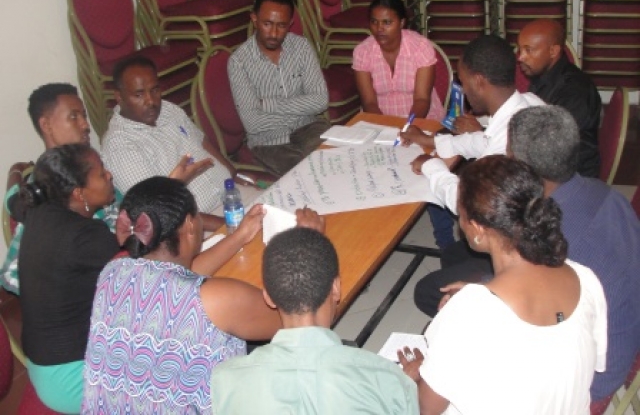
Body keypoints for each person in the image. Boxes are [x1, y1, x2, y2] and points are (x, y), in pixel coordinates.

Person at [414, 106, 640, 407]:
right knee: (456, 261)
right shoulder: (605, 194)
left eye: (508, 154)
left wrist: (478, 299)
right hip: (613, 330)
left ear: (522, 169)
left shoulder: (562, 238)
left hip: (591, 378)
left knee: (433, 291)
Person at [81, 176, 316, 413]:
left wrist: (240, 236)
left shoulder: (112, 272)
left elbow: (175, 277)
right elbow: (297, 318)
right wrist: (309, 242)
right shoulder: (215, 299)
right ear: (190, 226)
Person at [400, 155, 607, 415]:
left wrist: (416, 376)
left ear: (476, 228)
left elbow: (423, 410)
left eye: (461, 215)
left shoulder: (468, 315)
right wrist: (479, 297)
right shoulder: (586, 278)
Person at [210, 227, 419, 414]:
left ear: (268, 297)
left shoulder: (226, 380)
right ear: (336, 288)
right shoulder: (385, 378)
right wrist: (404, 386)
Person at [400, 34, 544, 249]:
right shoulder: (529, 102)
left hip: (516, 239)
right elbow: (483, 141)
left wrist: (431, 166)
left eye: (463, 82)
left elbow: (466, 202)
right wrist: (431, 140)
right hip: (531, 212)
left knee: (429, 283)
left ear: (478, 82)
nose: (463, 89)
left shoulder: (506, 142)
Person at [18, 144, 120, 413]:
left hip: (44, 368)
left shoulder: (38, 210)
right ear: (78, 193)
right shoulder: (85, 236)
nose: (109, 176)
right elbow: (155, 274)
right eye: (100, 174)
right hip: (77, 380)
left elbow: (15, 199)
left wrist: (15, 175)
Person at [2, 83, 120, 295]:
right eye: (74, 117)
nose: (86, 125)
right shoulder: (44, 195)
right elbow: (13, 275)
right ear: (46, 125)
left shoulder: (90, 169)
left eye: (84, 115)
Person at [101, 56, 236, 231]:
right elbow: (159, 211)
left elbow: (202, 141)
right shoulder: (120, 145)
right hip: (198, 228)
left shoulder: (169, 110)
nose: (151, 101)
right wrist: (229, 227)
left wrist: (233, 173)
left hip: (232, 199)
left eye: (155, 90)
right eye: (139, 94)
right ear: (119, 97)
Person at [228, 0, 330, 177]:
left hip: (308, 128)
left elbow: (321, 101)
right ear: (254, 19)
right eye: (267, 24)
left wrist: (269, 104)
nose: (274, 33)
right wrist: (300, 109)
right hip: (268, 141)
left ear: (290, 24)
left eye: (281, 26)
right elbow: (253, 123)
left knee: (338, 157)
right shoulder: (239, 62)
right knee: (307, 175)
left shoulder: (301, 47)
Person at [517, 18, 601, 177]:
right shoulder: (542, 77)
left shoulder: (575, 92)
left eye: (529, 50)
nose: (521, 57)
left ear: (553, 51)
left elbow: (551, 149)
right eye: (520, 50)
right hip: (549, 165)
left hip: (570, 177)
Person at [353, 0, 445, 120]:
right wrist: (385, 128)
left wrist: (407, 127)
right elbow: (369, 102)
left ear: (401, 23)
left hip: (420, 120)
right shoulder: (362, 52)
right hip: (379, 121)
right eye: (374, 22)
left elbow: (422, 99)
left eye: (387, 22)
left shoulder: (420, 47)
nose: (379, 28)